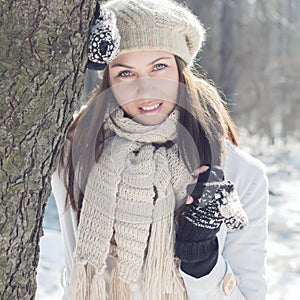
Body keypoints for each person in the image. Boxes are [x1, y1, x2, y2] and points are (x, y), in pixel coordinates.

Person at [51, 0, 269, 299]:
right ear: (109, 82)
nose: (146, 89)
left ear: (181, 71)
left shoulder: (240, 174)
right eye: (125, 73)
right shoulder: (74, 156)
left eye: (159, 67)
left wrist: (202, 263)